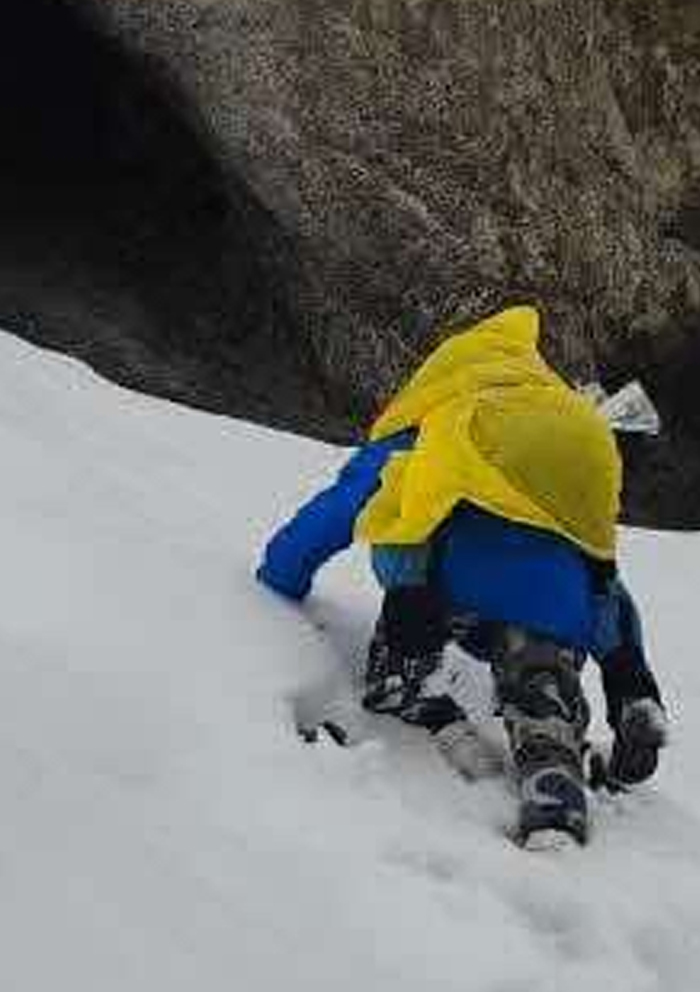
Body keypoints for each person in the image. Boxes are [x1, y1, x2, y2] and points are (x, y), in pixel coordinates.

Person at [256, 306, 668, 848]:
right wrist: (628, 676)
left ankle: (408, 679)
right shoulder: (545, 435)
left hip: (444, 590)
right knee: (539, 657)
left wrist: (279, 578)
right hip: (557, 603)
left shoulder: (440, 419)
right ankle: (550, 758)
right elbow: (601, 575)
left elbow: (341, 509)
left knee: (408, 520)